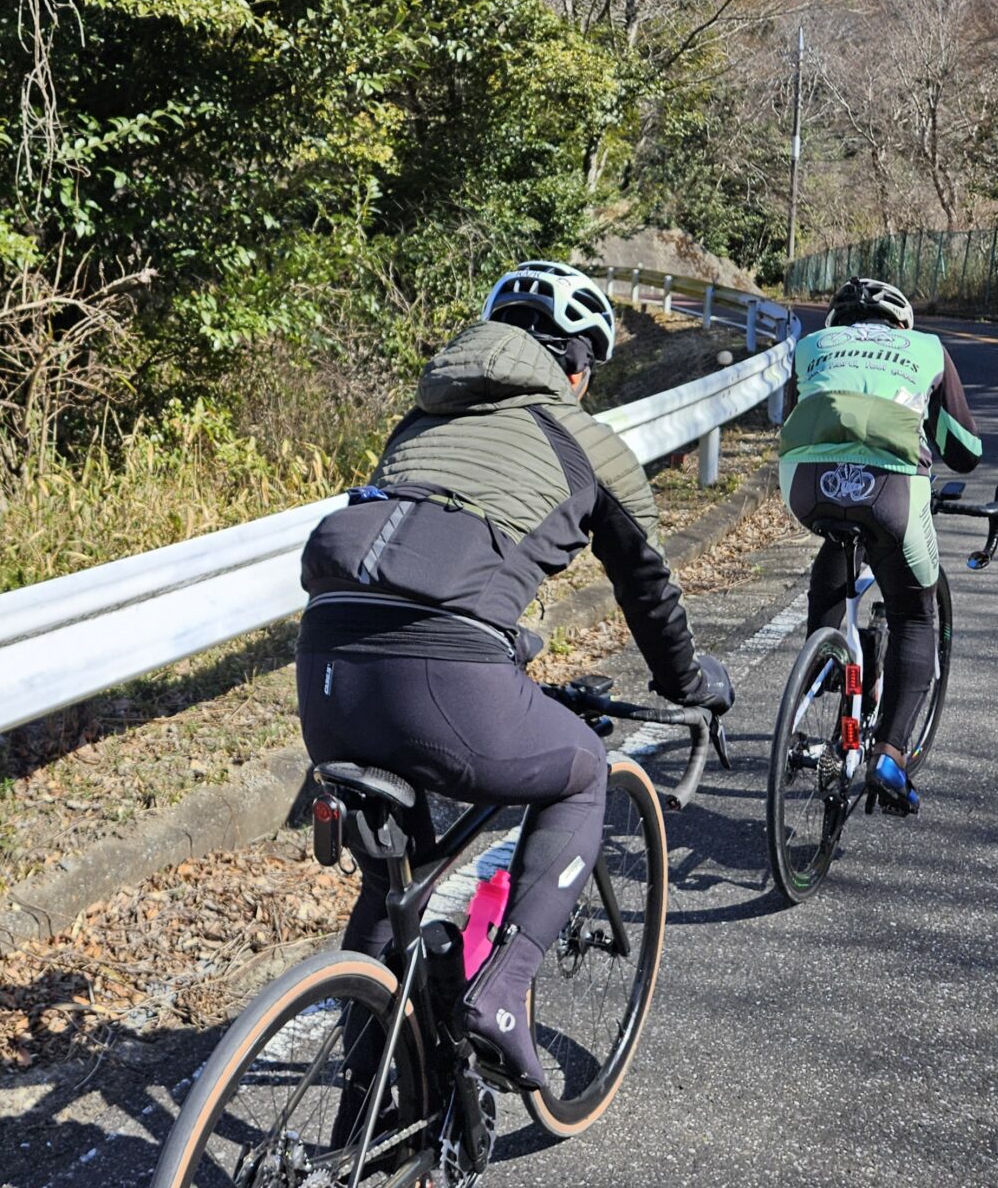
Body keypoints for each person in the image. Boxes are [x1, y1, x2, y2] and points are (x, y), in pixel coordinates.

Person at [296, 260, 733, 1091]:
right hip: (442, 676)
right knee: (583, 769)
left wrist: (511, 644)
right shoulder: (585, 440)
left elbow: (416, 556)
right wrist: (692, 686)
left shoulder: (423, 420)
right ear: (577, 368)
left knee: (395, 884)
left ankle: (369, 1104)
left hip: (325, 673)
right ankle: (501, 993)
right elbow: (647, 588)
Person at [779, 277, 982, 814]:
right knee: (914, 614)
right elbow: (965, 451)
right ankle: (890, 755)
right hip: (893, 492)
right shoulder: (927, 349)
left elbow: (792, 419)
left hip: (806, 487)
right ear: (901, 324)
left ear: (837, 322)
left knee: (838, 541)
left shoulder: (810, 346)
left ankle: (825, 667)